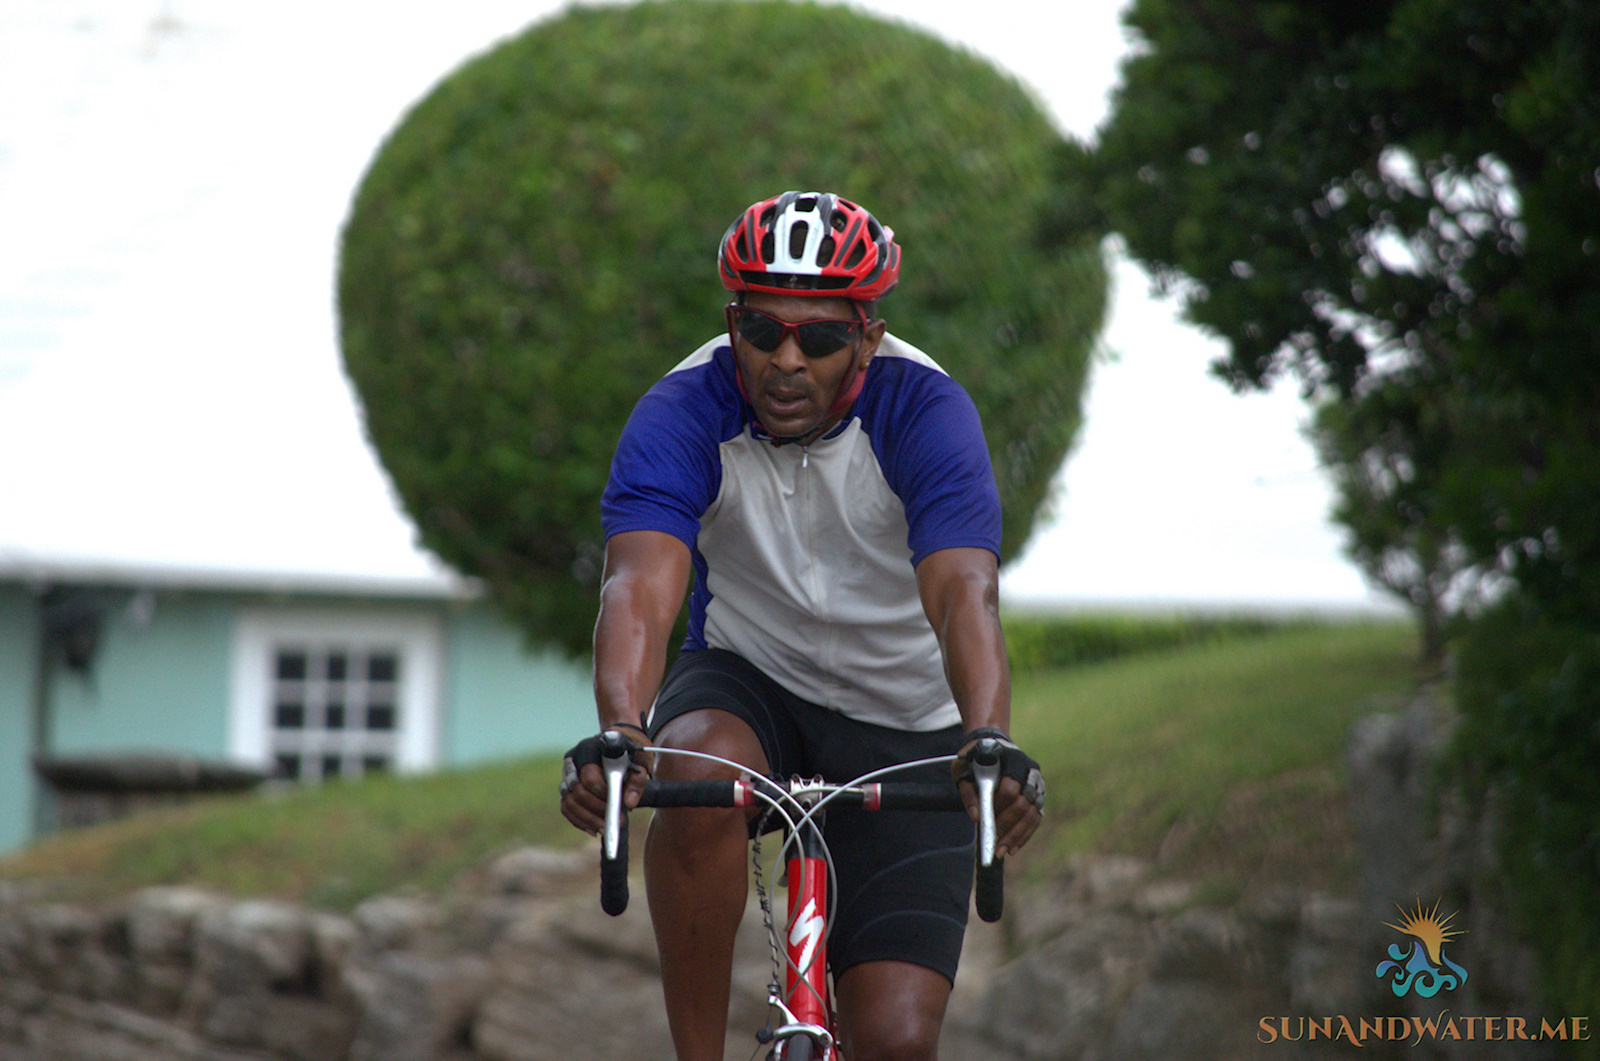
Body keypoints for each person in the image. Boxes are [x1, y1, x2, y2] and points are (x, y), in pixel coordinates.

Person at [560, 190, 1044, 1061]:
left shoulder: (926, 411)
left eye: (818, 336)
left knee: (894, 1039)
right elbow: (637, 586)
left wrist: (987, 739)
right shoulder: (682, 408)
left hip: (907, 714)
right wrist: (622, 732)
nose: (786, 359)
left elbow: (964, 591)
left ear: (867, 333)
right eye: (760, 329)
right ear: (731, 322)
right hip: (752, 675)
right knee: (696, 764)